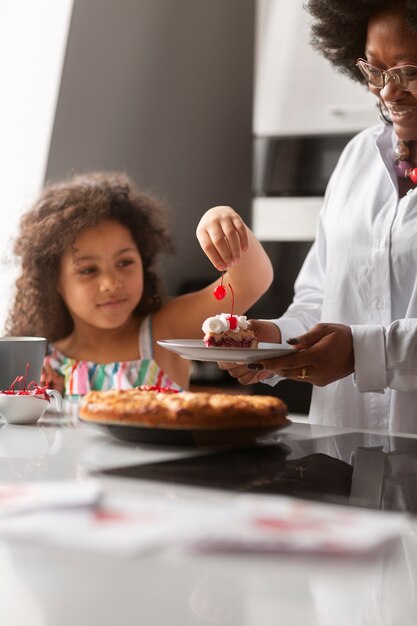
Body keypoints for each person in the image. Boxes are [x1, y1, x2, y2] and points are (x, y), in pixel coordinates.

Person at [219, 0, 417, 434]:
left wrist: (365, 352)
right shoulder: (358, 157)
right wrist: (271, 341)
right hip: (342, 450)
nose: (387, 92)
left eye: (410, 73)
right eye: (375, 71)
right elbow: (319, 298)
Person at [5, 170, 273, 397]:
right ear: (55, 282)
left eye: (125, 263)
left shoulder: (165, 330)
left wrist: (220, 217)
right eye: (88, 270)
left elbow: (251, 282)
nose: (110, 283)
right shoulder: (39, 365)